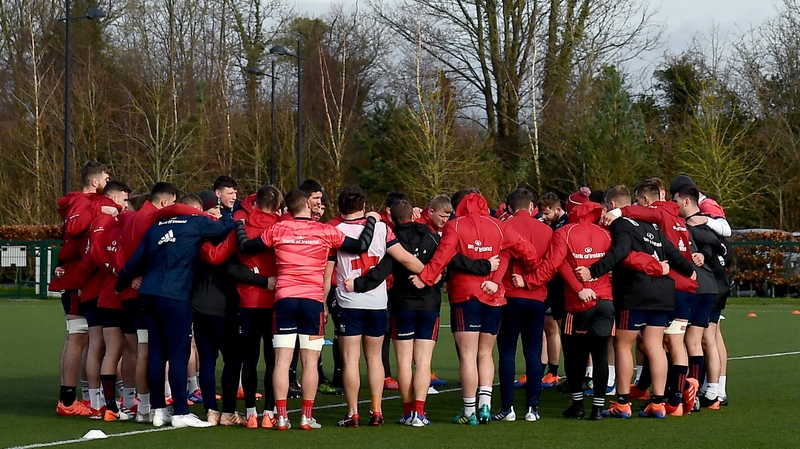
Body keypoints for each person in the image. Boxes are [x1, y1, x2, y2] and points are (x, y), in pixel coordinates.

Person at [236, 189, 381, 431]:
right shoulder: (324, 230)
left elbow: (245, 247)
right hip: (312, 302)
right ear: (306, 204)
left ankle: (281, 417)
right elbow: (360, 245)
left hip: (284, 299)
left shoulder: (278, 229)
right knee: (310, 361)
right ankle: (306, 417)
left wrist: (240, 224)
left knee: (282, 361)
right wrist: (373, 220)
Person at [345, 199, 495, 426]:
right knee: (424, 362)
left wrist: (357, 285)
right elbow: (454, 260)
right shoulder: (432, 236)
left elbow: (381, 270)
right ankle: (420, 413)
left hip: (402, 305)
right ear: (414, 216)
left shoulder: (393, 238)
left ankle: (407, 413)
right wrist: (485, 266)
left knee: (404, 362)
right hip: (429, 305)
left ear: (391, 217)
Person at [410, 192, 539, 425]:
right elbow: (527, 251)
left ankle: (469, 411)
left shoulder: (456, 225)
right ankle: (485, 406)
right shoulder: (499, 226)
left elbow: (443, 256)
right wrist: (524, 271)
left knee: (468, 355)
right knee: (485, 353)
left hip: (465, 294)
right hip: (493, 296)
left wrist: (425, 277)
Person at [575, 185, 696, 419]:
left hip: (635, 291)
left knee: (622, 344)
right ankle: (659, 403)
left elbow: (619, 253)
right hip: (662, 292)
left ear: (610, 206)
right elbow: (672, 252)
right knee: (654, 345)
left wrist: (594, 271)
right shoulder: (652, 225)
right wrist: (689, 269)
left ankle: (622, 403)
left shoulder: (620, 224)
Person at [115, 194, 234, 429]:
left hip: (149, 294)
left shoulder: (156, 226)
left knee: (156, 353)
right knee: (178, 354)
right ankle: (180, 411)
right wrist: (230, 218)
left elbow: (134, 262)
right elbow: (223, 229)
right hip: (176, 295)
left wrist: (121, 285)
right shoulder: (196, 223)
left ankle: (159, 410)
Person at [330, 186, 425, 428]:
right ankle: (376, 410)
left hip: (349, 301)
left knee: (351, 360)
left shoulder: (334, 230)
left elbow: (326, 269)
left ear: (340, 207)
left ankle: (353, 412)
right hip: (376, 302)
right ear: (363, 207)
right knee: (375, 359)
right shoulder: (382, 228)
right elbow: (404, 258)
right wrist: (430, 272)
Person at [115, 182, 201, 423]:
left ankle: (148, 409)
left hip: (138, 293)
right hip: (155, 293)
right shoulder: (153, 221)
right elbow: (155, 253)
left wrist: (126, 278)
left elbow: (122, 253)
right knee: (153, 353)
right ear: (166, 203)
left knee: (144, 352)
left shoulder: (132, 218)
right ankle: (151, 408)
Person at [200, 186, 282, 427]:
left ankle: (251, 413)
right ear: (277, 205)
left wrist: (202, 245)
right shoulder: (282, 226)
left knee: (249, 358)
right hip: (277, 300)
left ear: (255, 203)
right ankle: (269, 412)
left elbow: (217, 257)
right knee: (273, 359)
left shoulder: (242, 225)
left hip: (248, 301)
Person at [52, 161, 111, 417]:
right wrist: (101, 211)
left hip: (83, 280)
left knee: (86, 338)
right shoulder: (82, 202)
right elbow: (76, 227)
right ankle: (67, 399)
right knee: (77, 336)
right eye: (106, 179)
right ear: (95, 182)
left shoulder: (89, 203)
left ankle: (85, 396)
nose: (109, 184)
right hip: (77, 282)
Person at [491, 189, 553, 423]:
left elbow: (501, 260)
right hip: (536, 296)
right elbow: (550, 265)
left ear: (508, 207)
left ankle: (507, 407)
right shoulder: (546, 231)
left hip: (510, 295)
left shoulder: (504, 227)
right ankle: (532, 407)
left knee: (507, 352)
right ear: (531, 207)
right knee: (533, 353)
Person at [187, 190, 246, 426]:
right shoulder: (224, 231)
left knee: (208, 361)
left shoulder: (192, 233)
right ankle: (228, 411)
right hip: (225, 306)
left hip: (200, 305)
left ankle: (211, 410)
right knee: (232, 360)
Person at [77, 181, 132, 421]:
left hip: (102, 292)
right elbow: (97, 253)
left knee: (104, 348)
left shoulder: (105, 217)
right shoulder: (105, 220)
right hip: (103, 292)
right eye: (124, 199)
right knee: (106, 347)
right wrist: (116, 270)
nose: (125, 204)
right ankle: (102, 403)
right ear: (114, 198)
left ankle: (104, 403)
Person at [671, 183, 721, 411]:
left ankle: (680, 391)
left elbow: (716, 246)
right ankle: (698, 392)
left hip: (693, 286)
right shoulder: (704, 223)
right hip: (708, 285)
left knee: (674, 340)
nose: (673, 204)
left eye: (676, 199)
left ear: (685, 200)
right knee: (694, 341)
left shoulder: (688, 223)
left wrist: (703, 254)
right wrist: (705, 253)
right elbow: (716, 246)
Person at [537, 193, 567, 389]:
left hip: (564, 285)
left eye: (546, 213)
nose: (544, 216)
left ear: (557, 209)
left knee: (567, 330)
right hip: (552, 284)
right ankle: (550, 372)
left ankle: (564, 373)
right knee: (551, 325)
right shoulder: (551, 225)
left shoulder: (565, 225)